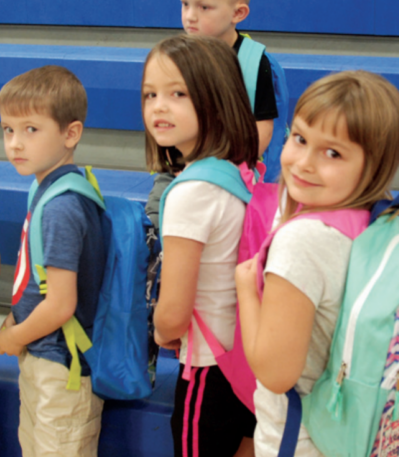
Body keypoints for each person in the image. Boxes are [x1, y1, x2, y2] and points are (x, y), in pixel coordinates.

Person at [234, 70, 399, 457]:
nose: (304, 163)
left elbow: (276, 374)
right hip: (363, 433)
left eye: (333, 152)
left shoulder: (303, 242)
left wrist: (246, 289)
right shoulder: (385, 218)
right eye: (299, 138)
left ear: (373, 163)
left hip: (302, 439)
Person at [147, 35, 259, 457]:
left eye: (178, 93)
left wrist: (161, 330)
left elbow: (174, 315)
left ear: (216, 99)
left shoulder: (190, 191)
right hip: (246, 359)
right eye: (151, 94)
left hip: (209, 369)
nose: (159, 106)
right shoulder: (239, 171)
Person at [0, 65, 107, 457]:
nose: (15, 144)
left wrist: (13, 336)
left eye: (30, 129)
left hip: (63, 369)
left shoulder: (62, 206)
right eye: (8, 129)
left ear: (70, 133)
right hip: (43, 355)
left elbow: (60, 304)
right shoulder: (47, 187)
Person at [144, 0, 282, 227]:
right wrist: (178, 164)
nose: (190, 16)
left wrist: (225, 167)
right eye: (185, 4)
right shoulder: (178, 57)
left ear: (238, 13)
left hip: (233, 171)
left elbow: (262, 128)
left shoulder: (255, 63)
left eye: (204, 7)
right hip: (179, 166)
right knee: (155, 220)